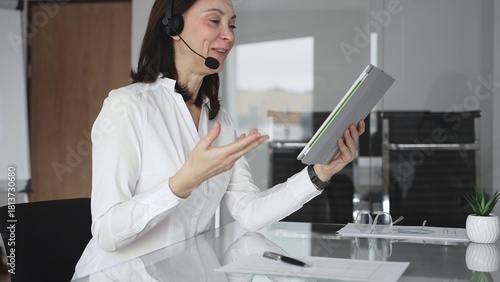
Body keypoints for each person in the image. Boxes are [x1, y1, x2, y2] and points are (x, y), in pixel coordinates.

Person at [73, 0, 365, 279]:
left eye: (232, 25)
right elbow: (107, 234)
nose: (228, 36)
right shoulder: (127, 106)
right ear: (173, 26)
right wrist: (181, 184)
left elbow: (248, 212)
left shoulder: (218, 118)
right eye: (214, 21)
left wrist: (319, 174)